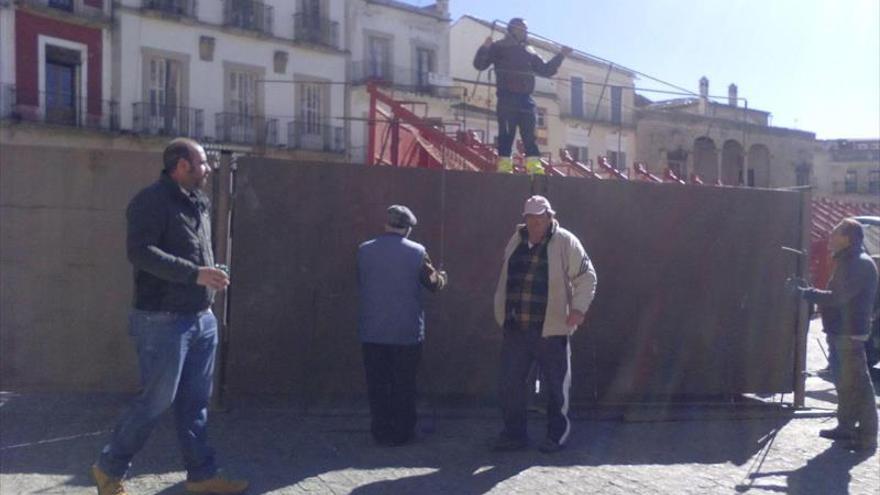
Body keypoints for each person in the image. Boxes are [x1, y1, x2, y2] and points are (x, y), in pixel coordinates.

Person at [91, 138, 248, 495]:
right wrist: (195, 273)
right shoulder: (150, 202)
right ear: (181, 165)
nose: (207, 168)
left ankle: (202, 476)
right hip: (161, 319)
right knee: (155, 401)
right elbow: (140, 253)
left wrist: (211, 274)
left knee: (195, 403)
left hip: (200, 317)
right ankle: (108, 469)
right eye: (202, 163)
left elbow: (197, 253)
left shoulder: (199, 203)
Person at [492, 195, 597, 453]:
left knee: (556, 387)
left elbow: (586, 276)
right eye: (531, 218)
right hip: (516, 328)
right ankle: (514, 434)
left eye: (541, 217)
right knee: (510, 384)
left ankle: (555, 436)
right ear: (525, 219)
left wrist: (579, 309)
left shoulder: (565, 241)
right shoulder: (516, 240)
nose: (536, 223)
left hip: (551, 329)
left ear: (550, 216)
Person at [357, 205, 448, 446]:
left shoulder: (364, 251)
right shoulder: (418, 252)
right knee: (404, 385)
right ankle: (402, 432)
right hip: (405, 333)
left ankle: (380, 430)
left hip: (372, 331)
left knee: (377, 384)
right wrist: (443, 276)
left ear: (386, 224)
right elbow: (433, 284)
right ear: (407, 228)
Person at [797, 218, 878, 452]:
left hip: (849, 333)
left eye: (834, 234)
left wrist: (806, 293)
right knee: (844, 383)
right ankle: (846, 426)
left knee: (859, 385)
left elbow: (837, 297)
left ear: (847, 238)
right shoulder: (849, 261)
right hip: (841, 331)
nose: (830, 238)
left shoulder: (858, 264)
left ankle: (867, 435)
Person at [473, 17, 573, 175]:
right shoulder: (498, 47)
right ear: (511, 29)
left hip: (525, 97)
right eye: (520, 27)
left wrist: (561, 55)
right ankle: (505, 165)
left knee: (530, 134)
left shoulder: (529, 50)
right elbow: (480, 65)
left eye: (525, 28)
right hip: (506, 96)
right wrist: (484, 48)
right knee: (506, 133)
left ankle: (533, 165)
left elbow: (546, 70)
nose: (523, 31)